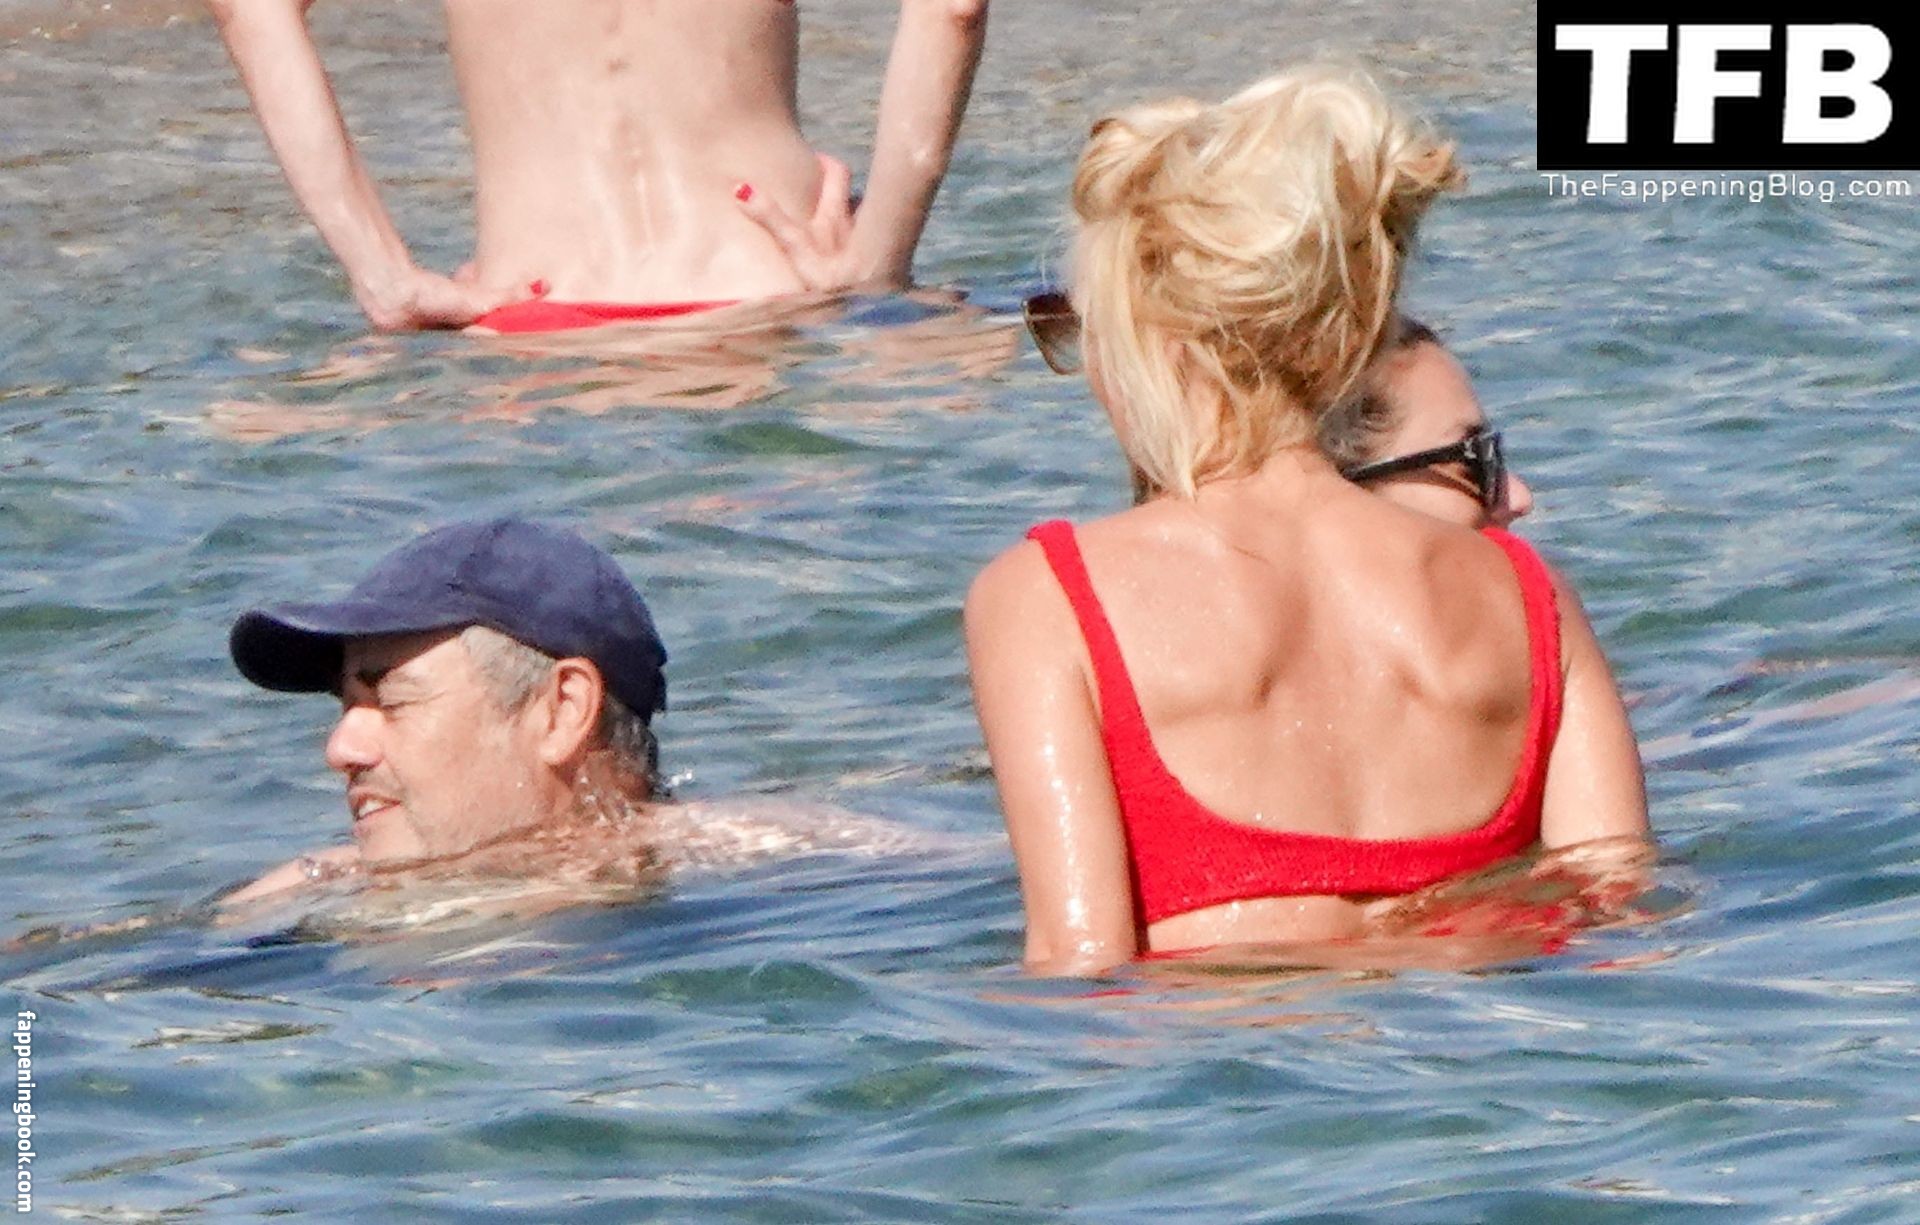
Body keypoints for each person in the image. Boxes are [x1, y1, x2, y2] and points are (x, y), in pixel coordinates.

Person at [970, 66, 1650, 976]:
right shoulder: (1531, 601)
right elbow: (1623, 923)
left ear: (1161, 342)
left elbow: (1078, 964)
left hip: (1221, 1058)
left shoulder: (1047, 598)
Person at [204, 0, 989, 333]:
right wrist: (878, 261)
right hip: (773, 303)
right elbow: (952, 9)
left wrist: (384, 274)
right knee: (972, 347)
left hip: (529, 322)